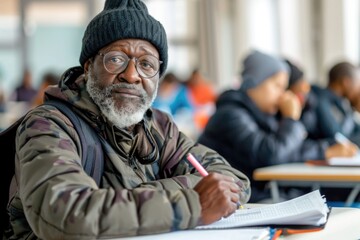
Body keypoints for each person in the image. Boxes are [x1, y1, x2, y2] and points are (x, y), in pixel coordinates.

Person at [5, 0, 250, 239]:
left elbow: (233, 182)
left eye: (146, 64)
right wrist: (194, 203)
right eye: (116, 59)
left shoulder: (160, 128)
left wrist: (117, 201)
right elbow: (67, 214)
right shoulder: (49, 124)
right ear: (89, 66)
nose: (132, 75)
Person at [198, 50, 357, 202]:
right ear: (254, 83)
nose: (282, 95)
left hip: (264, 191)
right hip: (245, 198)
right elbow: (271, 154)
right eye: (277, 86)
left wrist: (325, 150)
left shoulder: (260, 115)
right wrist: (291, 119)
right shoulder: (231, 115)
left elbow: (289, 149)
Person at [311, 61, 360, 146]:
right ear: (346, 82)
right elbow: (337, 137)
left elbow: (357, 130)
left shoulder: (342, 104)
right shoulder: (321, 100)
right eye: (358, 82)